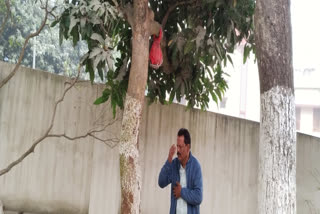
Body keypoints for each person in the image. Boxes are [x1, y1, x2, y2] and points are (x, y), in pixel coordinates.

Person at [158, 128, 203, 214]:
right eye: (177, 146)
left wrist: (181, 192)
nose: (177, 150)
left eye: (180, 147)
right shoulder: (174, 164)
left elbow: (198, 197)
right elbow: (161, 182)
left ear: (188, 147)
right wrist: (169, 159)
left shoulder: (196, 166)